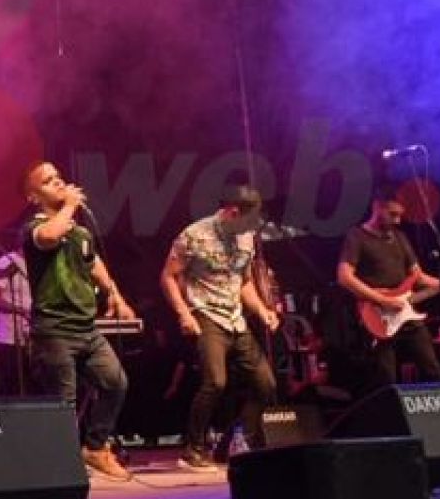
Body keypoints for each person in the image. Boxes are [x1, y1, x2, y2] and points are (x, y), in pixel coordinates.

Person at [21, 161, 131, 481]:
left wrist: (116, 296)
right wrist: (69, 206)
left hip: (87, 327)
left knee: (116, 382)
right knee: (63, 403)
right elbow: (50, 236)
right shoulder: (34, 227)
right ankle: (61, 468)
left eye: (59, 178)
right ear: (33, 195)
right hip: (54, 329)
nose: (58, 183)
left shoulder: (80, 232)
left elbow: (94, 263)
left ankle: (96, 448)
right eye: (48, 181)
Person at [160, 184, 281, 469]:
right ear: (233, 212)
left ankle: (236, 438)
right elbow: (168, 276)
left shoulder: (247, 239)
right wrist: (183, 313)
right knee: (216, 381)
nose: (254, 225)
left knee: (267, 385)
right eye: (250, 219)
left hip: (236, 319)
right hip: (205, 314)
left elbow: (244, 282)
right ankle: (193, 449)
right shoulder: (194, 236)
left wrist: (262, 310)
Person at [337, 194, 440, 389]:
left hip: (407, 315)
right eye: (393, 215)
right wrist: (382, 300)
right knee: (386, 377)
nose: (398, 220)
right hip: (378, 316)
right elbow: (344, 277)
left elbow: (419, 277)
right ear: (378, 208)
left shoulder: (400, 237)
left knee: (432, 370)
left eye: (400, 215)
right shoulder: (357, 236)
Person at [0, 249, 32, 396]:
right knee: (13, 389)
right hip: (8, 339)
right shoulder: (6, 262)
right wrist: (21, 310)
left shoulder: (37, 264)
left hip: (33, 336)